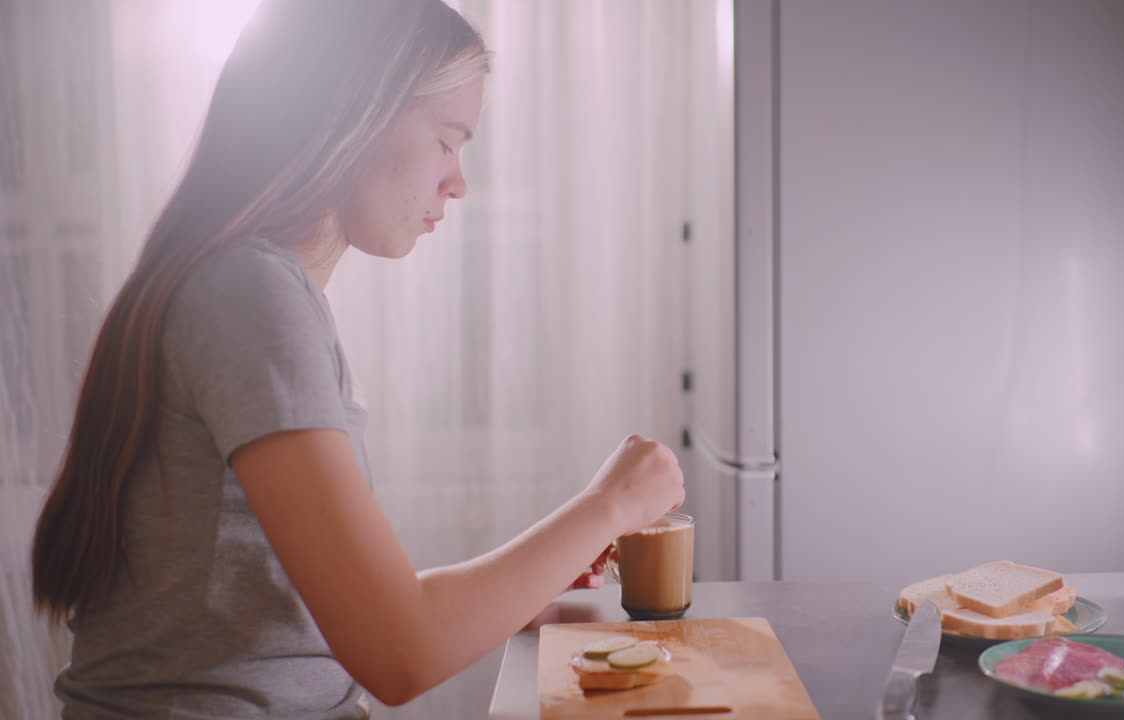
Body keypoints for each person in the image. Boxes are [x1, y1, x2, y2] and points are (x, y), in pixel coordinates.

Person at [29, 2, 686, 718]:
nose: (458, 181)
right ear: (358, 113)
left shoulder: (245, 286)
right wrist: (611, 505)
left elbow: (357, 615)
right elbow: (397, 652)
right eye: (446, 140)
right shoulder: (249, 295)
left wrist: (518, 592)